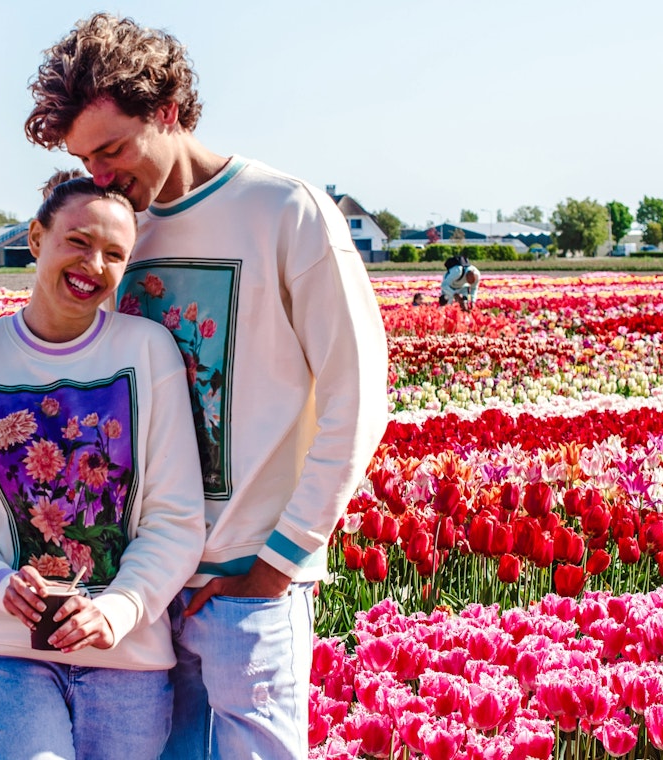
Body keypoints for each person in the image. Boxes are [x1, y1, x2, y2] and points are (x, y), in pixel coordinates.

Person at [26, 15, 390, 759]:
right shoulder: (116, 233)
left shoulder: (285, 212)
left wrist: (277, 563)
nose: (99, 176)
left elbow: (360, 398)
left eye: (113, 148)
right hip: (135, 590)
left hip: (246, 580)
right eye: (83, 159)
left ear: (166, 111)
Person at [0, 176, 206, 760]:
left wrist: (118, 608)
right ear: (37, 238)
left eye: (115, 254)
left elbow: (174, 517)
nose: (94, 264)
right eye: (78, 241)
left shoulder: (147, 352)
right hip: (2, 646)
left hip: (127, 652)